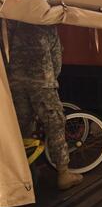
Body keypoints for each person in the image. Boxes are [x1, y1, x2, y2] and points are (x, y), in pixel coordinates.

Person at [3, 20, 83, 191]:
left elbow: (5, 52)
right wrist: (50, 77)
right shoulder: (45, 24)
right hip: (43, 82)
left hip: (16, 83)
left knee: (21, 128)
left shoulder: (10, 22)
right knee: (55, 124)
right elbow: (56, 56)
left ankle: (25, 174)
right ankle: (63, 173)